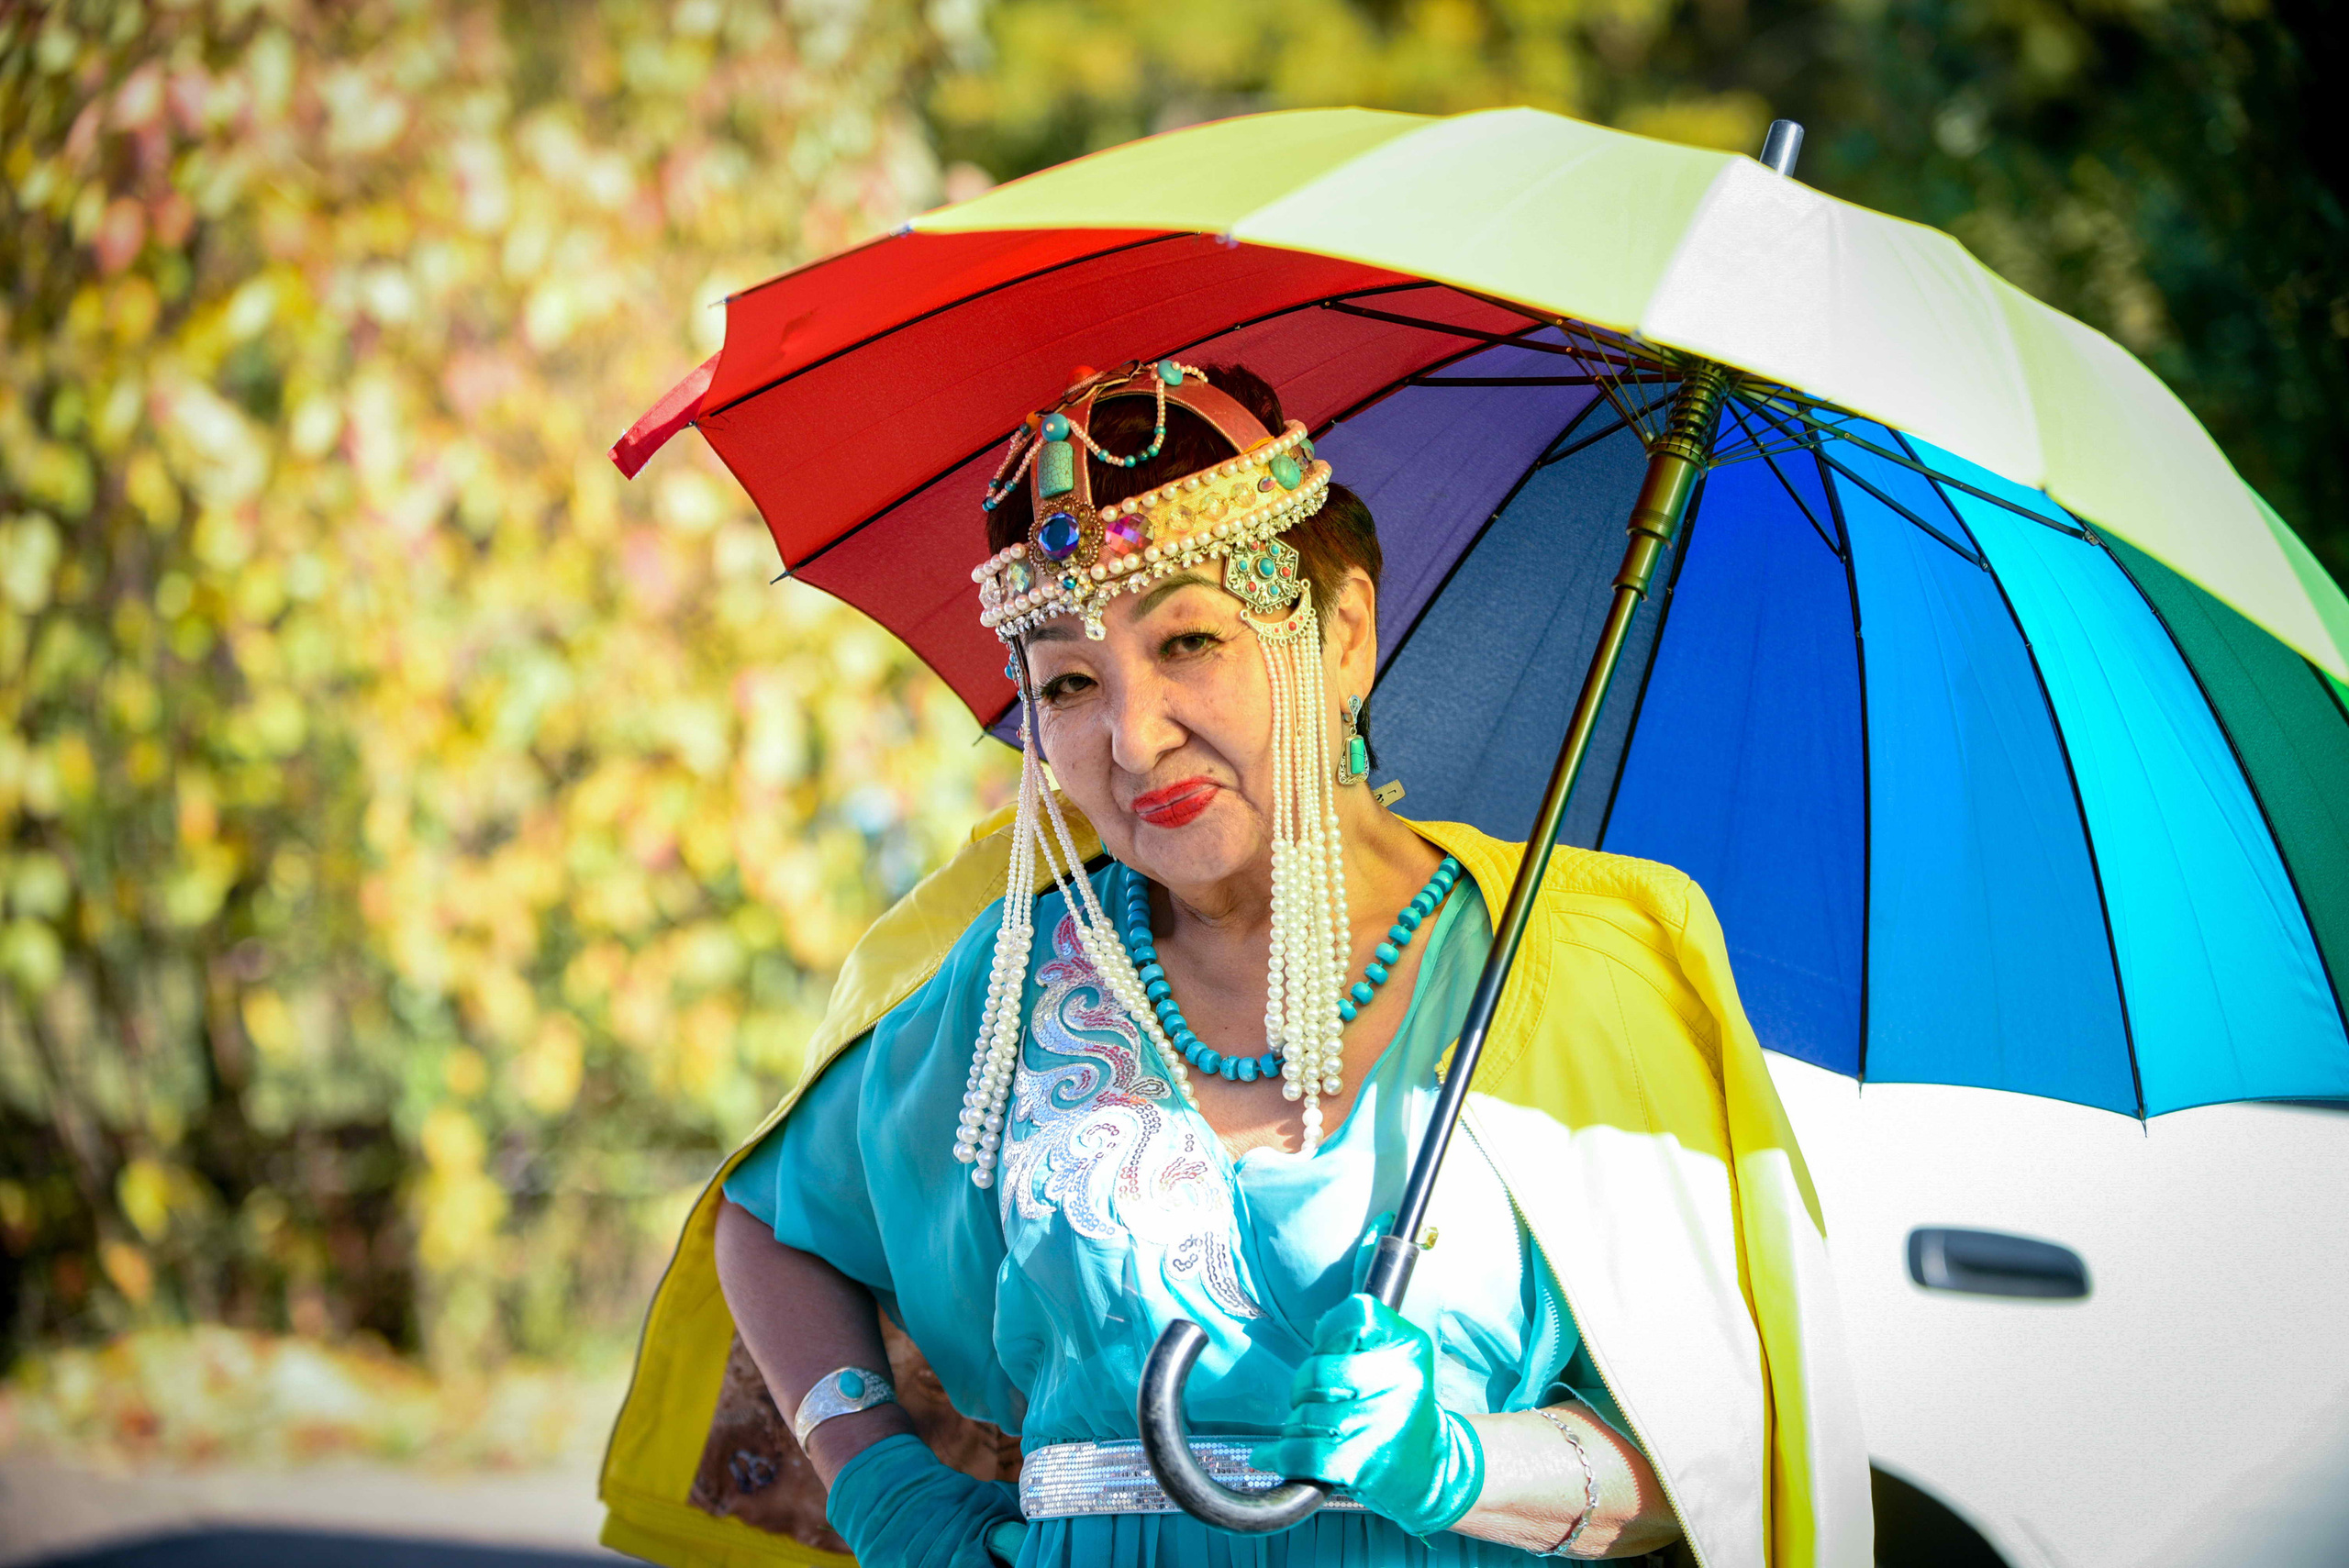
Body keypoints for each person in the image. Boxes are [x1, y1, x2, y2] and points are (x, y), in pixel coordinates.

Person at [596, 361, 1872, 1568]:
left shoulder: (1576, 969)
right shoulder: (1013, 973)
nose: (1135, 736)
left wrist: (1464, 1463)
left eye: (1189, 642)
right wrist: (875, 1473)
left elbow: (1713, 1464)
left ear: (1345, 634)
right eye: (1072, 681)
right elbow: (772, 1217)